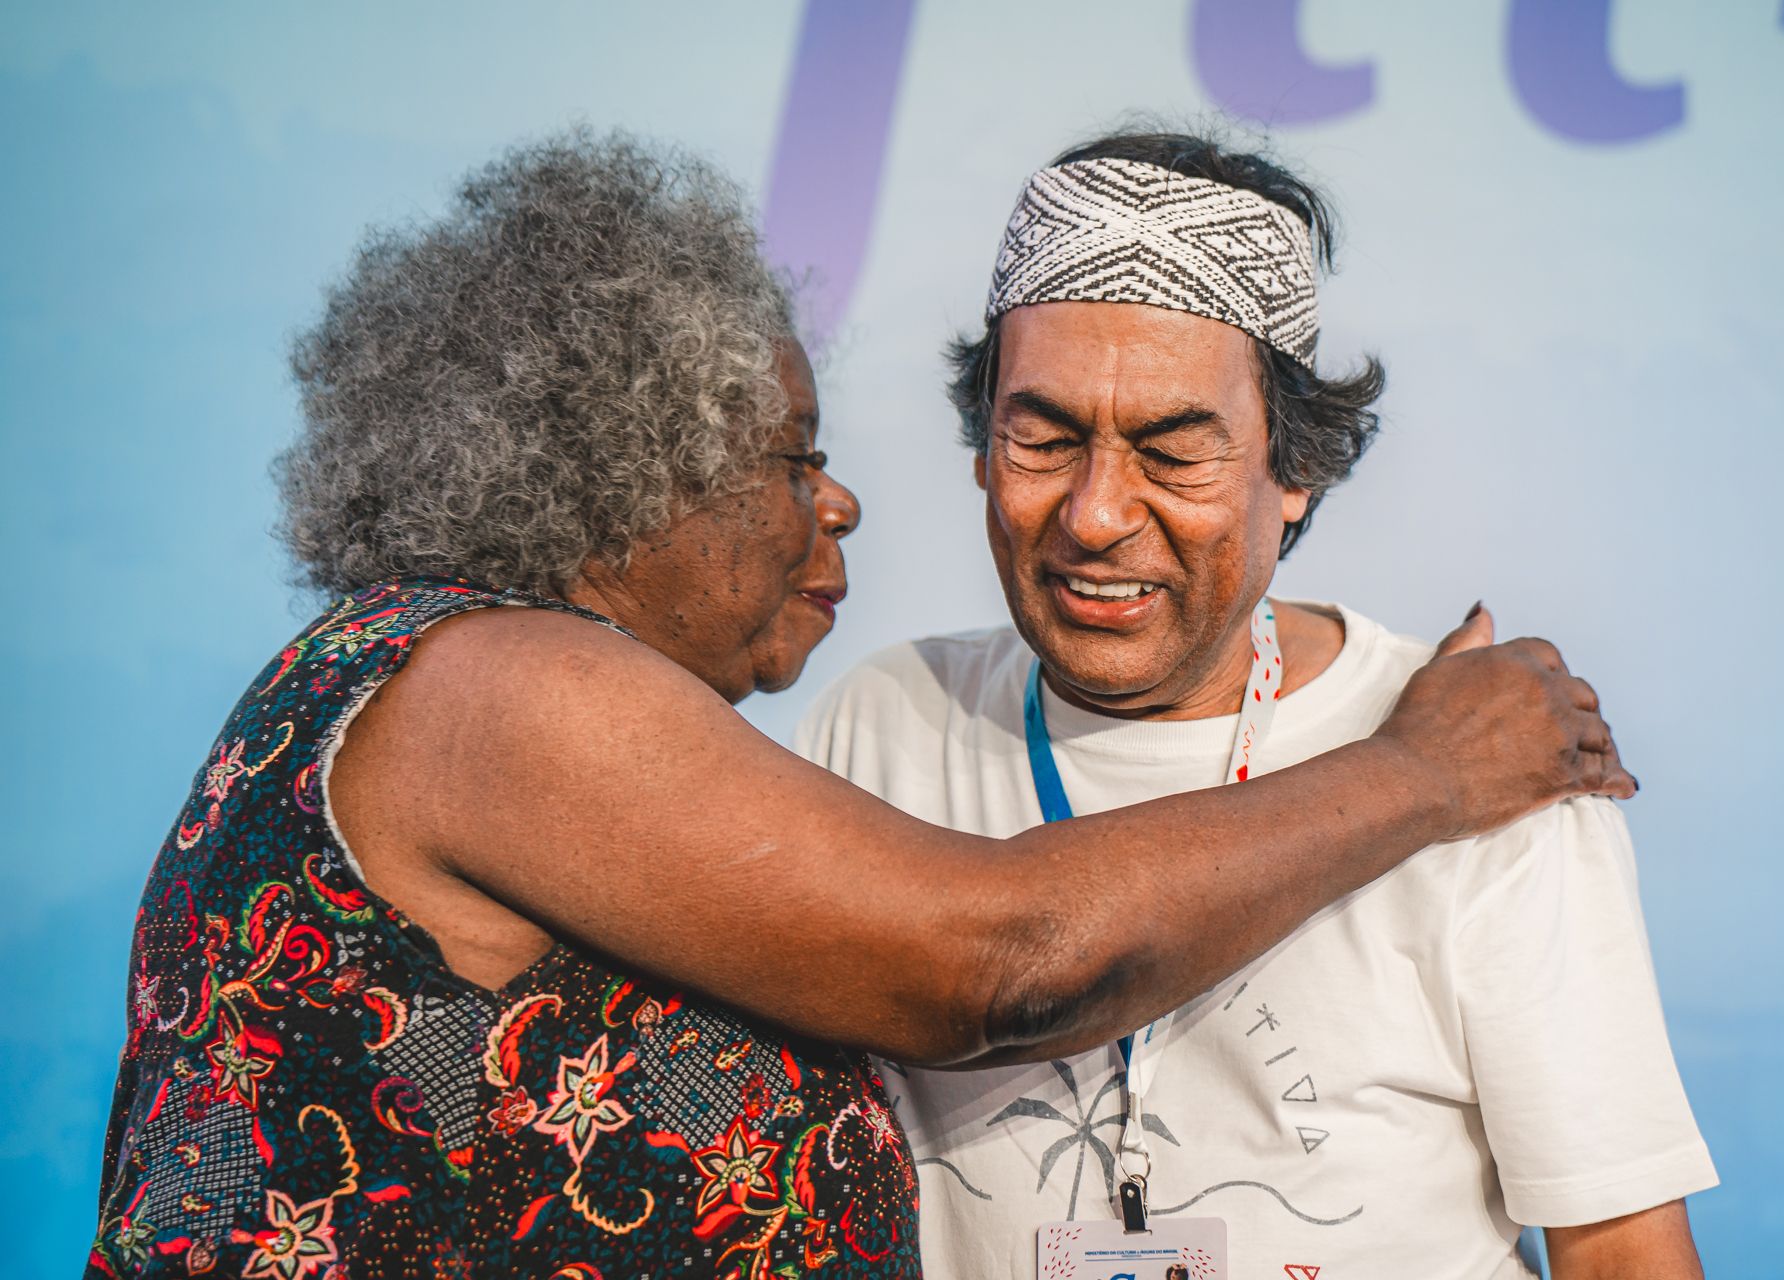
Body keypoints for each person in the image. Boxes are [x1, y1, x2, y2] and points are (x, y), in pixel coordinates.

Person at [88, 128, 1635, 1280]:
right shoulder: (505, 693)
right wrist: (1423, 771)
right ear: (629, 467)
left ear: (1293, 473)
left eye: (1173, 450)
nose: (839, 510)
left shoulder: (452, 690)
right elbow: (1000, 962)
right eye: (788, 458)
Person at [798, 131, 1716, 1279]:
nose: (1093, 514)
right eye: (1042, 436)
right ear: (982, 446)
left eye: (1173, 453)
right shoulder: (882, 724)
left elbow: (1623, 1251)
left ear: (1296, 472)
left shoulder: (1502, 773)